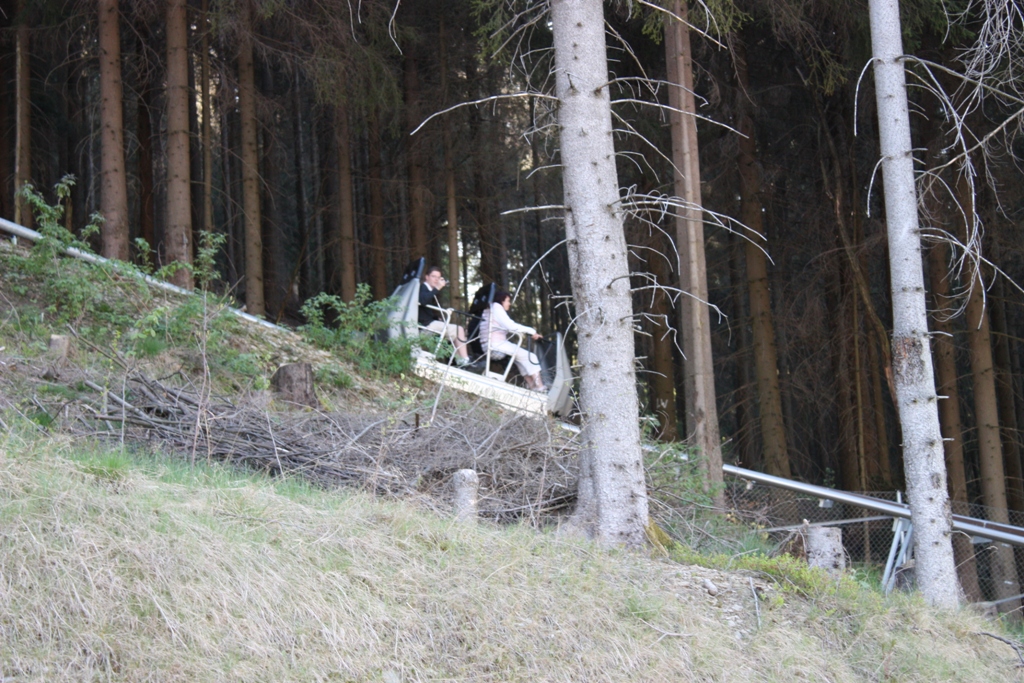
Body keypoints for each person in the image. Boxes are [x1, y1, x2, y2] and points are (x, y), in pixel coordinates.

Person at [481, 289, 546, 391]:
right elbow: (510, 326)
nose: (509, 304)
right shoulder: (497, 308)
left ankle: (532, 386)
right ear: (501, 300)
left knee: (520, 359)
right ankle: (540, 387)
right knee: (531, 357)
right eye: (508, 301)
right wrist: (531, 331)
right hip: (496, 345)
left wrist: (526, 332)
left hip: (491, 344)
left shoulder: (490, 309)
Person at [419, 266, 470, 365]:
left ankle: (460, 360)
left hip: (427, 324)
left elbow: (424, 310)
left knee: (454, 332)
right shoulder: (423, 288)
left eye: (438, 277)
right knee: (459, 330)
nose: (436, 280)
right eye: (433, 276)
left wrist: (436, 317)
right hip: (426, 327)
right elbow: (422, 300)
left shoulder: (428, 290)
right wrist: (437, 288)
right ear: (426, 277)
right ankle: (465, 361)